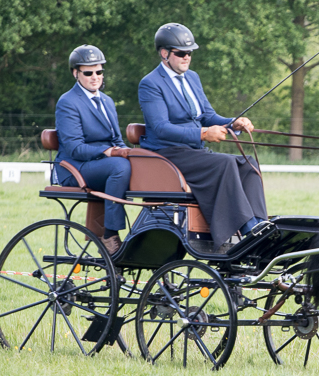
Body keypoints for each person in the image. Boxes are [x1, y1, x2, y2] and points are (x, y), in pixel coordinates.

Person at [137, 23, 271, 251]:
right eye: (181, 53)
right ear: (164, 53)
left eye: (190, 52)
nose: (187, 57)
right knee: (226, 163)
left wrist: (233, 123)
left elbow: (207, 115)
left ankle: (260, 224)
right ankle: (246, 230)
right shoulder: (150, 84)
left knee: (248, 164)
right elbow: (160, 128)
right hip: (168, 154)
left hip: (194, 153)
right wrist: (202, 133)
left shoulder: (193, 78)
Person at [53, 44, 130, 255]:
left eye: (99, 72)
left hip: (103, 163)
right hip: (75, 168)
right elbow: (75, 148)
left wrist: (131, 153)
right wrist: (107, 152)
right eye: (88, 73)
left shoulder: (107, 101)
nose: (95, 77)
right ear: (76, 73)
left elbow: (117, 139)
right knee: (120, 167)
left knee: (137, 163)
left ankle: (146, 229)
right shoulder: (68, 102)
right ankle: (110, 235)